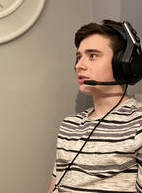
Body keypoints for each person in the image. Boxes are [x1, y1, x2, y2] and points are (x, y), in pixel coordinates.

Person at [47, 20, 142, 193]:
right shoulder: (69, 125)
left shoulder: (138, 124)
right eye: (78, 57)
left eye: (92, 55)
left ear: (123, 63)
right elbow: (56, 184)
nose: (79, 65)